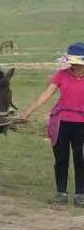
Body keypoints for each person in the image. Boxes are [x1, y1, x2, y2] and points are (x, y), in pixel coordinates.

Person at [20, 43, 84, 207]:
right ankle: (61, 193)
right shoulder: (61, 75)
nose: (74, 64)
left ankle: (80, 195)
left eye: (77, 61)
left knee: (80, 160)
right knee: (61, 159)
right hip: (62, 122)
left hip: (81, 124)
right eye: (72, 61)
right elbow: (47, 94)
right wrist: (30, 110)